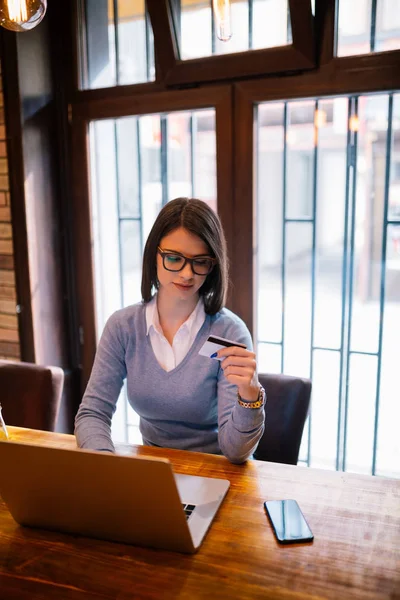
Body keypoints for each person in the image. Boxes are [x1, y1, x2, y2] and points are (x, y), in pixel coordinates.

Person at [75, 197, 266, 464]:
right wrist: (107, 467)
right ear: (154, 255)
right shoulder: (123, 327)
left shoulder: (229, 332)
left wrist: (250, 394)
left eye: (200, 262)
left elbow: (235, 452)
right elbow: (92, 413)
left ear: (213, 266)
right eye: (174, 258)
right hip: (157, 472)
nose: (187, 274)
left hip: (219, 472)